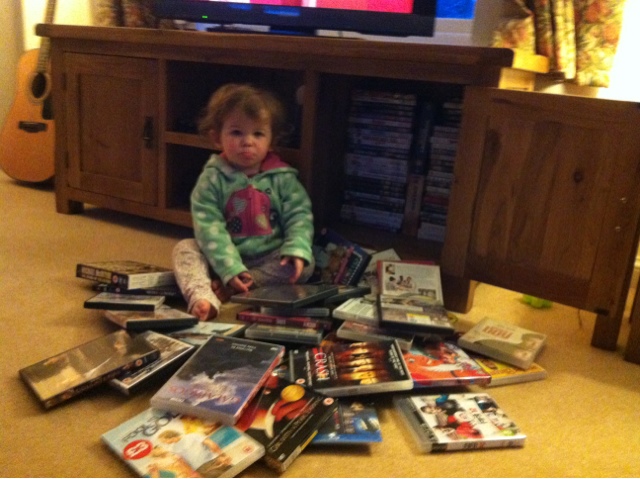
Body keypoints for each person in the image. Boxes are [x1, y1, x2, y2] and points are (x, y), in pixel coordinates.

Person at [173, 83, 315, 321]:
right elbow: (209, 227)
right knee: (185, 248)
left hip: (267, 257)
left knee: (304, 263)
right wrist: (229, 268)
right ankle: (202, 296)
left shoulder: (283, 178)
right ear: (217, 138)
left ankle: (245, 283)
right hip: (221, 255)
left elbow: (299, 216)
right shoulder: (212, 179)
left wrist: (296, 247)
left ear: (271, 141)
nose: (247, 141)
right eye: (237, 133)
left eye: (258, 134)